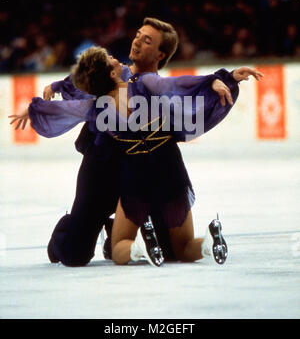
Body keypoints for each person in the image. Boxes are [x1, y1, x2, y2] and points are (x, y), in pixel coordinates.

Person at [10, 46, 263, 267]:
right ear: (110, 73)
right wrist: (221, 78)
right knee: (79, 254)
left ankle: (127, 241)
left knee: (150, 245)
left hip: (137, 169)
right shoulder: (123, 90)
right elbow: (176, 84)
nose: (115, 58)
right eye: (110, 59)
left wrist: (219, 79)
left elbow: (177, 85)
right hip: (125, 167)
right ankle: (72, 231)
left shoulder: (116, 90)